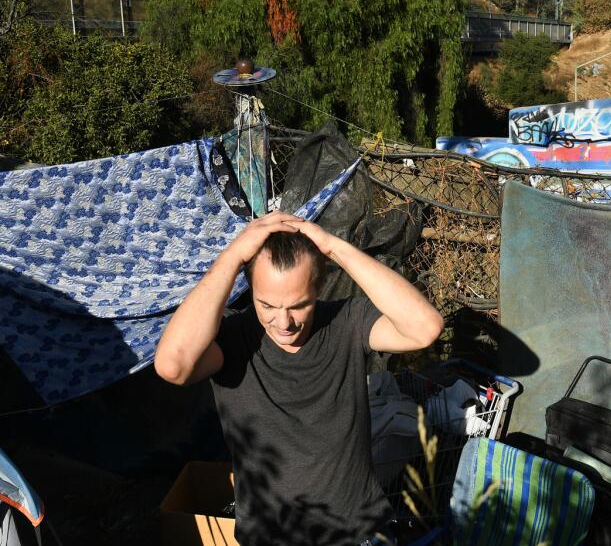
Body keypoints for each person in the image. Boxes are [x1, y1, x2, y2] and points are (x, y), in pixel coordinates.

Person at [155, 211, 444, 546]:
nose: (284, 322)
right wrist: (233, 256)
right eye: (267, 305)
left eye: (299, 306)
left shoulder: (347, 322)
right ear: (251, 291)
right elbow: (172, 366)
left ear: (319, 288)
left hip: (360, 534)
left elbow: (425, 329)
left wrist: (334, 247)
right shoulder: (233, 340)